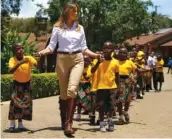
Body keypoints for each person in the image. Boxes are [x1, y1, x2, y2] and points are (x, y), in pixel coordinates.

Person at [36, 2, 101, 135]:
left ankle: (68, 123)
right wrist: (41, 53)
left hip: (77, 59)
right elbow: (51, 47)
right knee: (64, 93)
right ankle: (63, 118)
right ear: (66, 12)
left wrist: (96, 55)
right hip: (62, 60)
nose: (76, 14)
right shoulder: (57, 27)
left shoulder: (80, 28)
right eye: (74, 11)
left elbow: (84, 48)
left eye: (77, 11)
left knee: (72, 90)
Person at [8, 43, 38, 132]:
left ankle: (20, 124)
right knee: (14, 104)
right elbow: (10, 71)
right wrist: (20, 63)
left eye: (22, 48)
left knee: (24, 104)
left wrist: (38, 60)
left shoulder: (28, 58)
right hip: (17, 84)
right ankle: (12, 124)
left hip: (26, 85)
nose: (21, 50)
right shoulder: (12, 59)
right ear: (14, 51)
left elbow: (37, 65)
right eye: (18, 48)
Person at [91, 42, 120, 132]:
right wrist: (98, 62)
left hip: (112, 87)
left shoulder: (115, 62)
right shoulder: (98, 60)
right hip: (101, 87)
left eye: (109, 48)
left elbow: (117, 76)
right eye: (105, 48)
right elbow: (92, 71)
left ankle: (110, 120)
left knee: (112, 105)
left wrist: (118, 88)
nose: (106, 50)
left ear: (112, 50)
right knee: (101, 106)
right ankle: (102, 123)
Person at [117, 47, 137, 124]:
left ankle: (125, 112)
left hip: (127, 82)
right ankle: (120, 116)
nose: (122, 54)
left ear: (127, 54)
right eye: (120, 52)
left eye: (124, 52)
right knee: (119, 100)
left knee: (128, 99)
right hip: (118, 81)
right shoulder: (115, 62)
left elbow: (136, 70)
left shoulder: (129, 62)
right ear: (118, 54)